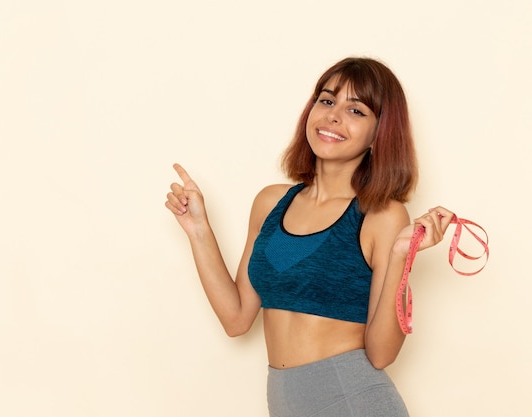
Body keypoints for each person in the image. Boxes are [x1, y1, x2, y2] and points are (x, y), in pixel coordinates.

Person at [164, 56, 454, 417]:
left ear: (380, 134)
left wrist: (400, 256)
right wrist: (198, 230)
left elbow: (381, 354)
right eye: (327, 100)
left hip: (355, 402)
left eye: (356, 110)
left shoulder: (381, 215)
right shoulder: (271, 202)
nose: (334, 116)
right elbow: (237, 319)